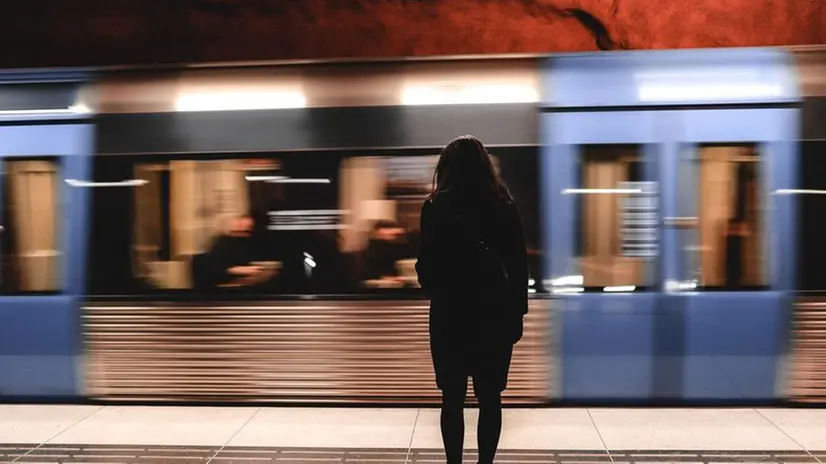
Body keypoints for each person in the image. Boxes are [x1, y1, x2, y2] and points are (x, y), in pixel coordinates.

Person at [416, 135, 528, 464]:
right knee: (490, 398)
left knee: (452, 399)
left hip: (450, 316)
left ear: (446, 167)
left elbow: (426, 265)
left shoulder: (436, 206)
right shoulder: (503, 205)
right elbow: (519, 264)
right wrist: (517, 314)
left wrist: (435, 286)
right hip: (493, 315)